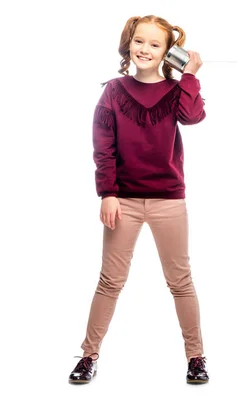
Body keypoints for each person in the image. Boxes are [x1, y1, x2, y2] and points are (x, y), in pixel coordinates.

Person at [68, 15, 209, 385]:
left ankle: (196, 357)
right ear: (129, 44)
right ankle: (88, 355)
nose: (145, 49)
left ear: (167, 52)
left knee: (180, 281)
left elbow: (194, 117)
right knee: (110, 281)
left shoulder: (179, 90)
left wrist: (191, 74)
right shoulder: (113, 91)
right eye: (139, 42)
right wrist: (108, 193)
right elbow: (104, 147)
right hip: (124, 201)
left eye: (155, 44)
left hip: (168, 200)